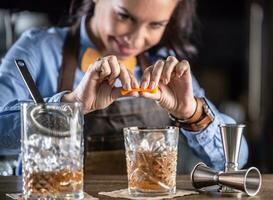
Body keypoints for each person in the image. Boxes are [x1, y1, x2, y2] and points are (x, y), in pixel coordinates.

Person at [0, 0, 248, 175]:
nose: (136, 39)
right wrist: (70, 106)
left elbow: (234, 159)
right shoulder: (38, 49)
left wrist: (192, 114)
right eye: (125, 16)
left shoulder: (165, 67)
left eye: (156, 25)